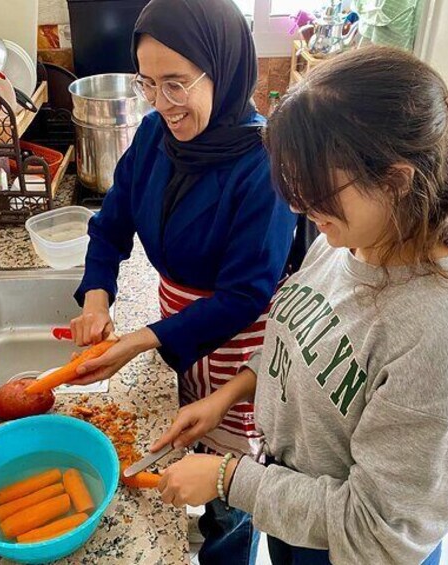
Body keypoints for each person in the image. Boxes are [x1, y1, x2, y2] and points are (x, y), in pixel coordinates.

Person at [151, 46, 448, 564]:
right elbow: (304, 345)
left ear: (395, 180)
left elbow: (377, 530)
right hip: (295, 512)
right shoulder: (344, 241)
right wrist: (228, 395)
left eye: (318, 189)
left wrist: (227, 478)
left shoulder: (447, 329)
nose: (300, 206)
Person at [68, 0, 296, 562]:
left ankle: (229, 548)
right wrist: (97, 298)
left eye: (176, 84)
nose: (161, 103)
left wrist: (142, 339)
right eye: (148, 84)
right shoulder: (152, 136)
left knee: (231, 488)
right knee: (184, 448)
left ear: (223, 68)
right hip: (177, 328)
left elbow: (246, 295)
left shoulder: (265, 163)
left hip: (241, 343)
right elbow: (112, 222)